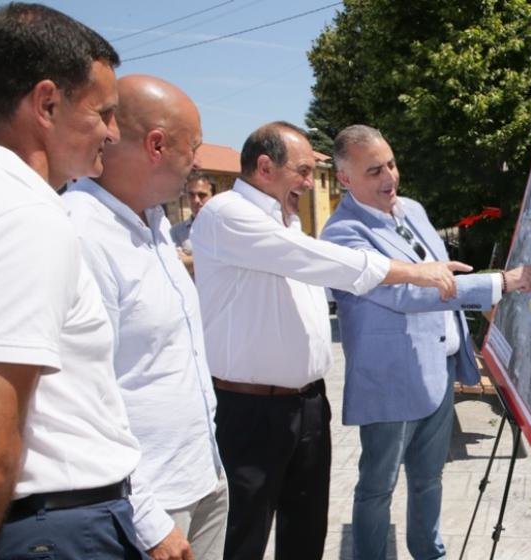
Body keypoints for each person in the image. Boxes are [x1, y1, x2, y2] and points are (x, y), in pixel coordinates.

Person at [190, 121, 472, 560]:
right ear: (265, 167)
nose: (309, 181)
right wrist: (415, 271)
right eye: (303, 171)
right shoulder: (229, 213)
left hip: (305, 406)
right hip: (252, 411)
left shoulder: (285, 220)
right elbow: (323, 261)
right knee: (246, 533)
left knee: (305, 533)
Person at [321, 124, 531, 560]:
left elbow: (431, 270)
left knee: (429, 477)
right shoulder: (343, 236)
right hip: (391, 379)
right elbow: (406, 292)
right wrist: (499, 282)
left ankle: (430, 552)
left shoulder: (410, 209)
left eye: (391, 163)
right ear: (345, 179)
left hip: (439, 367)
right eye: (374, 171)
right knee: (378, 487)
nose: (390, 176)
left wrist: (458, 283)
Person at [0, 4, 144, 558]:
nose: (113, 133)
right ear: (47, 103)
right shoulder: (25, 215)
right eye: (104, 113)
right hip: (55, 528)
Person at [62, 75, 228, 560]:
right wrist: (148, 518)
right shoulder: (82, 235)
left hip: (202, 480)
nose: (197, 163)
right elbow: (80, 399)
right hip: (146, 510)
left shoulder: (154, 226)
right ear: (156, 145)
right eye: (192, 148)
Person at [170, 171, 214, 274]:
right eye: (191, 195)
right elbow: (177, 265)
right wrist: (217, 258)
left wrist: (190, 259)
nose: (196, 200)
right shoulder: (176, 232)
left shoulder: (224, 227)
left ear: (211, 195)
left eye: (202, 195)